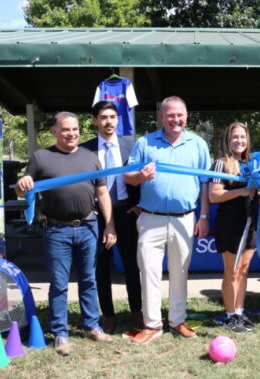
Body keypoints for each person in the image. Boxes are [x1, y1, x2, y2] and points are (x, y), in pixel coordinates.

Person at [16, 112, 116, 356]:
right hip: (57, 230)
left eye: (75, 129)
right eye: (65, 130)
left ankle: (91, 326)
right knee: (59, 284)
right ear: (55, 132)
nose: (71, 134)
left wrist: (110, 225)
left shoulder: (91, 158)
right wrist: (22, 184)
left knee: (89, 280)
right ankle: (61, 333)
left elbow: (102, 194)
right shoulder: (41, 157)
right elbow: (24, 189)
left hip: (89, 226)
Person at [125, 96, 211, 343]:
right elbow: (127, 176)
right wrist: (140, 176)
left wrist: (203, 216)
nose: (175, 119)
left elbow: (205, 183)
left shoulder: (198, 144)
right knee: (149, 273)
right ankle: (152, 325)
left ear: (186, 116)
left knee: (180, 272)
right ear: (161, 117)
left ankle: (177, 321)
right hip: (151, 219)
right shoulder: (145, 142)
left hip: (185, 218)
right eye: (170, 115)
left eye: (179, 115)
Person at [81, 101, 142, 333]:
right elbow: (81, 183)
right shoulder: (85, 150)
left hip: (127, 212)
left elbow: (144, 177)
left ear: (118, 120)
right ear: (95, 121)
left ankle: (137, 310)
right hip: (97, 215)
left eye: (112, 117)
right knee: (101, 268)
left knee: (131, 265)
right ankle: (108, 314)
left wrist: (139, 205)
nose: (108, 122)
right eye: (103, 117)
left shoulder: (132, 147)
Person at [209, 122, 258, 333]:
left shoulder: (254, 163)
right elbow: (214, 195)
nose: (239, 141)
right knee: (232, 271)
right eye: (235, 137)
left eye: (243, 137)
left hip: (251, 223)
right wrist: (241, 191)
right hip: (230, 224)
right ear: (228, 141)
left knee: (244, 271)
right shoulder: (221, 164)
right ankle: (229, 316)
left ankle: (239, 312)